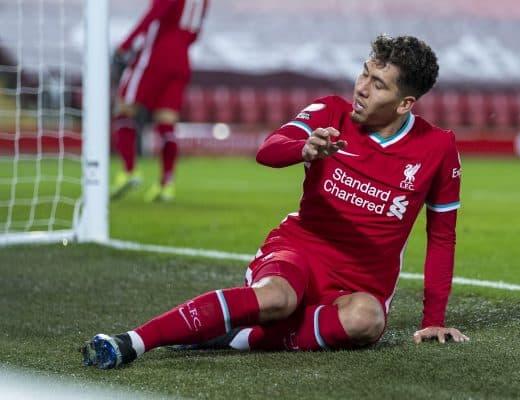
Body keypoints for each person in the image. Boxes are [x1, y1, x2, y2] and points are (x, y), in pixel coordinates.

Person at [82, 33, 469, 369]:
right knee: (277, 298)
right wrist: (304, 148)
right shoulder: (330, 111)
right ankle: (133, 341)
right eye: (364, 72)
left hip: (360, 282)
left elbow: (442, 237)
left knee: (368, 321)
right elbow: (268, 150)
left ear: (405, 103)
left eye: (379, 84)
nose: (363, 88)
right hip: (299, 250)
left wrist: (433, 319)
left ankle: (237, 337)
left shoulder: (438, 148)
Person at [110, 0, 210, 202]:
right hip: (181, 60)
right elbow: (196, 31)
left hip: (154, 57)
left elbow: (154, 13)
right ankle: (166, 184)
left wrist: (125, 44)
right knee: (166, 121)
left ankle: (129, 170)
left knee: (124, 109)